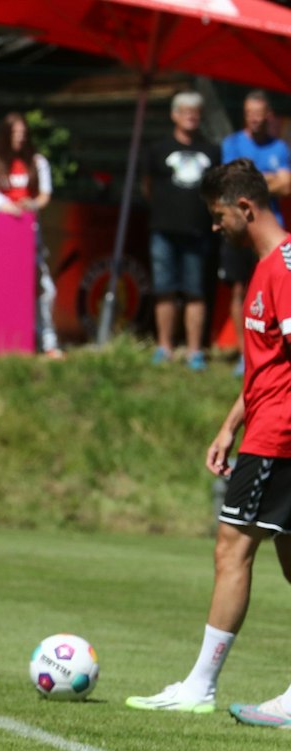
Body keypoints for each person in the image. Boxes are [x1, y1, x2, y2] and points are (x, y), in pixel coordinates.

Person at [129, 160, 291, 718]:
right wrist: (230, 423)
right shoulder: (269, 267)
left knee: (232, 548)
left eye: (220, 215)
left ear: (245, 208)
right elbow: (271, 366)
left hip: (280, 438)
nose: (216, 227)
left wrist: (265, 433)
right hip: (265, 427)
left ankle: (200, 685)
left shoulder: (286, 268)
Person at [0, 112, 62, 358]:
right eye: (15, 134)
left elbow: (44, 195)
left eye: (23, 134)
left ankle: (47, 340)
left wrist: (29, 205)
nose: (20, 139)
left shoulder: (37, 162)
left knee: (44, 288)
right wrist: (2, 205)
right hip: (0, 239)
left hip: (30, 234)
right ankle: (4, 340)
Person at [147, 91, 219, 370]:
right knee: (164, 288)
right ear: (174, 115)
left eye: (196, 111)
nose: (191, 115)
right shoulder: (158, 150)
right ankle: (164, 346)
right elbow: (147, 186)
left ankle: (194, 351)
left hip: (198, 231)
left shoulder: (212, 151)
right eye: (185, 110)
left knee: (195, 290)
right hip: (163, 229)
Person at [221, 91, 291, 372]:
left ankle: (273, 353)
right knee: (240, 289)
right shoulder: (232, 143)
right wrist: (270, 180)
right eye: (250, 112)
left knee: (275, 291)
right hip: (239, 231)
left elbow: (288, 186)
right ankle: (243, 353)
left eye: (260, 113)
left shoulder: (280, 148)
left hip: (270, 232)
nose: (255, 118)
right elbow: (230, 184)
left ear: (268, 115)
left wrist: (252, 181)